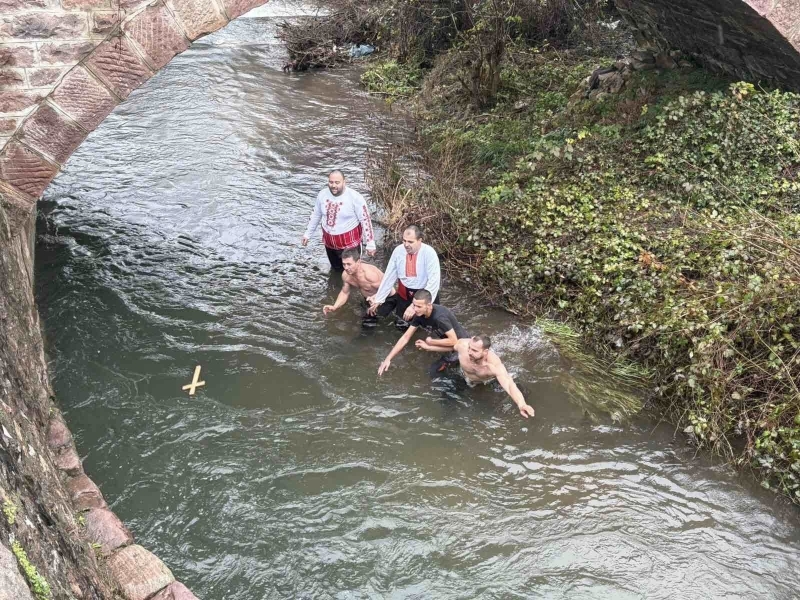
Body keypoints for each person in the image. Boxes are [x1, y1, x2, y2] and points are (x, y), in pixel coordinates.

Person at [417, 334, 536, 419]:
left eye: (474, 350)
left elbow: (509, 384)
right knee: (447, 398)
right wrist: (429, 347)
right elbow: (452, 347)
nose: (469, 352)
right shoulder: (463, 346)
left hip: (484, 382)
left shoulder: (493, 366)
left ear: (485, 352)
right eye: (469, 348)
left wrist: (521, 404)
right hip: (463, 376)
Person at [377, 290, 468, 376]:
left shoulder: (439, 318)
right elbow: (405, 337)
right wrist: (388, 359)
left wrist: (431, 342)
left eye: (419, 306)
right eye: (414, 305)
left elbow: (454, 341)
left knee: (434, 372)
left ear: (429, 305)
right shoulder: (419, 315)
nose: (415, 309)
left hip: (463, 347)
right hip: (450, 347)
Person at [302, 170, 376, 272]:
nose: (333, 186)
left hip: (350, 244)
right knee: (336, 270)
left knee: (352, 272)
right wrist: (307, 234)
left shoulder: (355, 197)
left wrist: (370, 243)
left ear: (344, 182)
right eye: (331, 182)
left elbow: (365, 220)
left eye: (337, 182)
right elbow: (316, 214)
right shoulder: (322, 194)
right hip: (330, 244)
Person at [367, 225, 440, 323]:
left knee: (430, 325)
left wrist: (414, 306)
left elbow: (434, 282)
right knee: (401, 324)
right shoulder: (398, 251)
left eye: (410, 242)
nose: (406, 245)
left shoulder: (429, 253)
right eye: (404, 241)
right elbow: (389, 276)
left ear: (419, 240)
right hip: (405, 294)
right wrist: (379, 299)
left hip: (424, 294)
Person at [323, 248, 393, 319]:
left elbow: (389, 288)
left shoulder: (370, 275)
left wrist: (376, 299)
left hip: (387, 298)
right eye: (344, 264)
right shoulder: (346, 275)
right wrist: (335, 306)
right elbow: (344, 293)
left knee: (369, 322)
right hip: (369, 299)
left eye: (349, 264)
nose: (346, 268)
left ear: (358, 262)